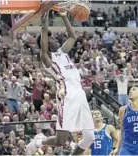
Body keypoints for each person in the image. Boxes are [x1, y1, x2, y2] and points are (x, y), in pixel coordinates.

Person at [26, 11, 94, 155]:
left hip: (80, 94)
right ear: (47, 45)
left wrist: (64, 15)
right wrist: (44, 25)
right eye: (51, 40)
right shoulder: (47, 60)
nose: (55, 40)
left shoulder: (62, 52)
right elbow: (43, 45)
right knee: (60, 141)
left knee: (89, 137)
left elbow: (72, 37)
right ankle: (39, 141)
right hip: (66, 96)